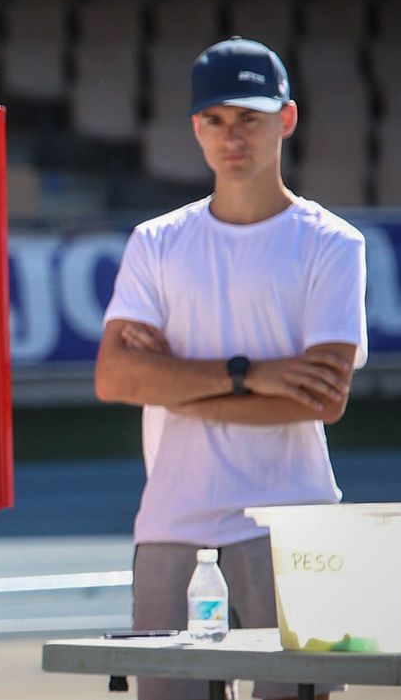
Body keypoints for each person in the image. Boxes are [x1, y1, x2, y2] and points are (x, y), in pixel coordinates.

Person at [94, 37, 367, 700]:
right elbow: (116, 379)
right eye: (214, 119)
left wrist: (175, 382)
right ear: (195, 127)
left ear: (287, 118)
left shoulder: (332, 243)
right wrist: (253, 373)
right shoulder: (157, 242)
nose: (231, 135)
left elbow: (321, 397)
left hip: (294, 529)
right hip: (172, 526)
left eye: (249, 116)